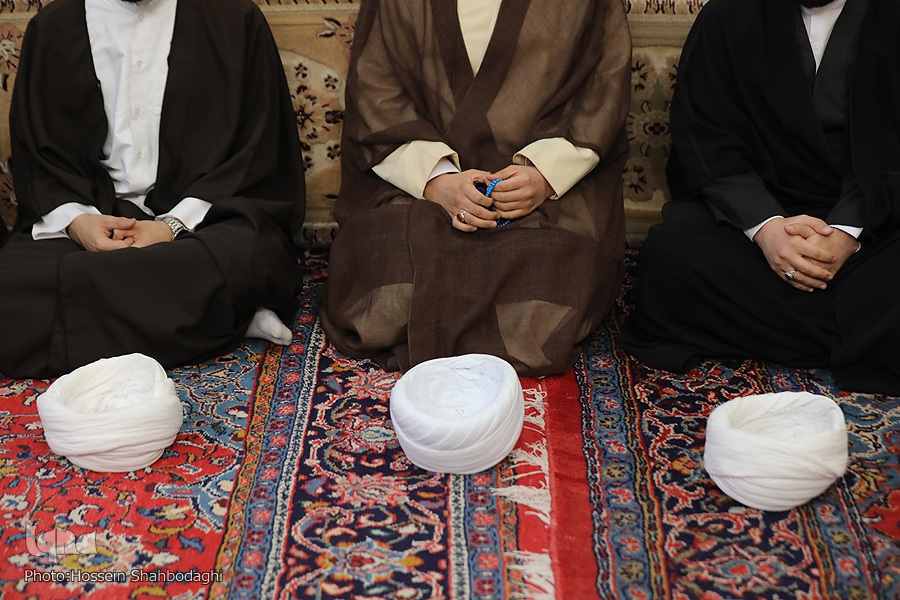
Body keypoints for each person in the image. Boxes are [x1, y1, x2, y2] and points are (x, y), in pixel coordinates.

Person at [319, 0, 631, 376]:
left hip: (542, 190)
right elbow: (376, 93)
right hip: (419, 185)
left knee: (545, 300)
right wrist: (437, 180)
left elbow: (603, 90)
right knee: (389, 291)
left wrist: (543, 175)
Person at [0, 0, 305, 379]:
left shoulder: (236, 18)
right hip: (92, 221)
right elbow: (37, 154)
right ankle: (224, 318)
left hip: (205, 221)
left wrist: (170, 227)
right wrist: (79, 224)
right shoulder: (52, 27)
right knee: (11, 286)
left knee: (248, 254)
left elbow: (258, 148)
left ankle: (194, 311)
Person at [624, 0, 900, 394]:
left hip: (875, 216)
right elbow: (705, 134)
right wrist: (767, 228)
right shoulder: (729, 14)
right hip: (762, 211)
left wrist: (846, 231)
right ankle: (864, 333)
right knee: (670, 257)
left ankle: (796, 328)